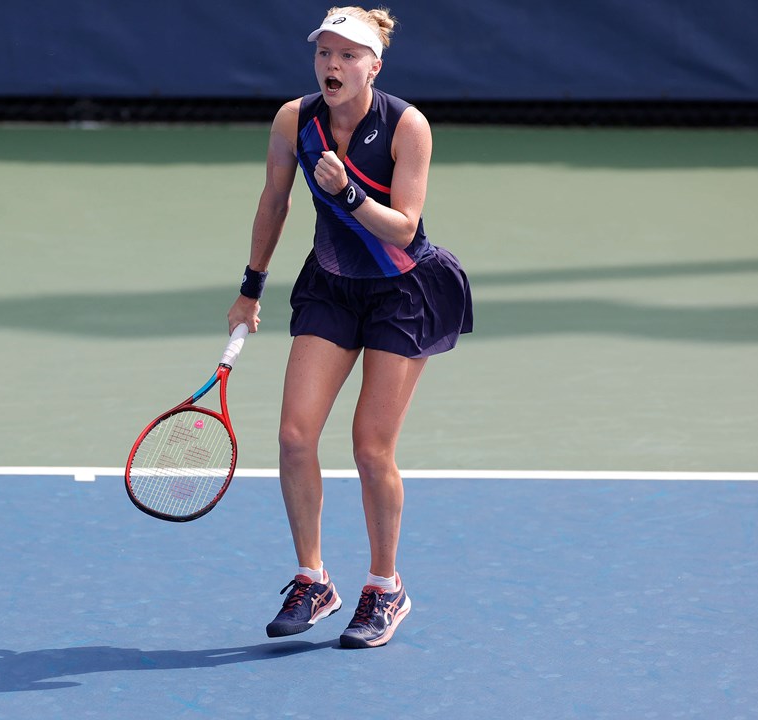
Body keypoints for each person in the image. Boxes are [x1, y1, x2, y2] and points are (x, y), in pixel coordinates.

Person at [226, 6, 473, 649]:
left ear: (375, 65)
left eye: (348, 55)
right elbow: (274, 201)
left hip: (403, 291)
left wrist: (350, 196)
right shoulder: (295, 120)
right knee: (293, 436)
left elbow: (408, 227)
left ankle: (385, 588)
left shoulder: (406, 125)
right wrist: (250, 287)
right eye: (324, 54)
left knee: (370, 447)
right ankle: (314, 579)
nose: (332, 66)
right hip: (331, 288)